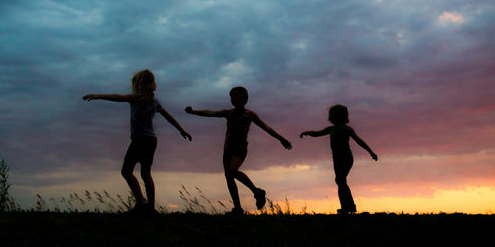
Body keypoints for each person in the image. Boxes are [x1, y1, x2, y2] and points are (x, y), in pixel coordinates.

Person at [83, 69, 192, 215]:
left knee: (126, 171)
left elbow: (117, 97)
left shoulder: (135, 98)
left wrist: (98, 96)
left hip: (140, 139)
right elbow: (168, 116)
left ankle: (142, 203)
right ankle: (150, 207)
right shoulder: (154, 102)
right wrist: (181, 130)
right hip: (151, 140)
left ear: (138, 84)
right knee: (145, 173)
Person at [185, 86, 292, 215]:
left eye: (236, 95)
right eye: (231, 96)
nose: (233, 98)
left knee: (232, 171)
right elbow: (210, 113)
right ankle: (238, 208)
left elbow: (266, 127)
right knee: (229, 177)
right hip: (227, 149)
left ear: (244, 98)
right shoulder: (228, 113)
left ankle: (257, 191)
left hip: (240, 149)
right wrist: (193, 111)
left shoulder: (250, 115)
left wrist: (281, 139)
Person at [300, 104, 377, 214]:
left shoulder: (347, 129)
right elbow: (318, 133)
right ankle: (346, 206)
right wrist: (307, 132)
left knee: (340, 180)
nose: (331, 117)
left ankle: (349, 205)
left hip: (346, 158)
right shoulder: (331, 129)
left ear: (340, 116)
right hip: (336, 159)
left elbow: (359, 141)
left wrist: (371, 152)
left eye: (333, 115)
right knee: (340, 181)